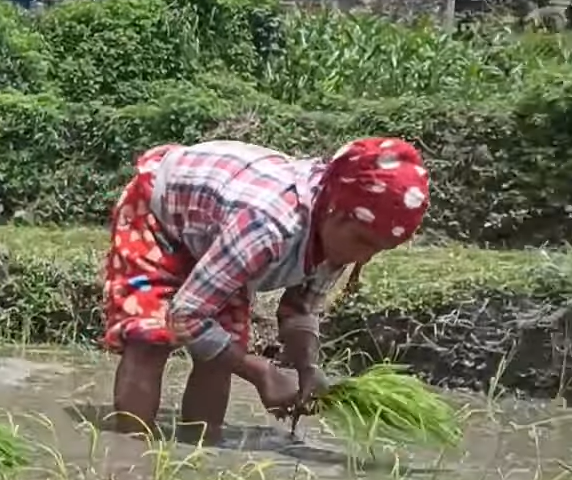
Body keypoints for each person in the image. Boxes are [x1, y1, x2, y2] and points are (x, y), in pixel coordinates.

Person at [103, 137, 431, 443]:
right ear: (334, 210)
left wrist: (308, 369)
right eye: (363, 242)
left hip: (219, 229)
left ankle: (200, 456)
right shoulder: (268, 224)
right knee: (150, 340)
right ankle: (133, 458)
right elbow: (186, 315)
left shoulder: (340, 233)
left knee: (222, 350)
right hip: (159, 212)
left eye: (378, 249)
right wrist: (261, 373)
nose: (363, 257)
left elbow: (300, 309)